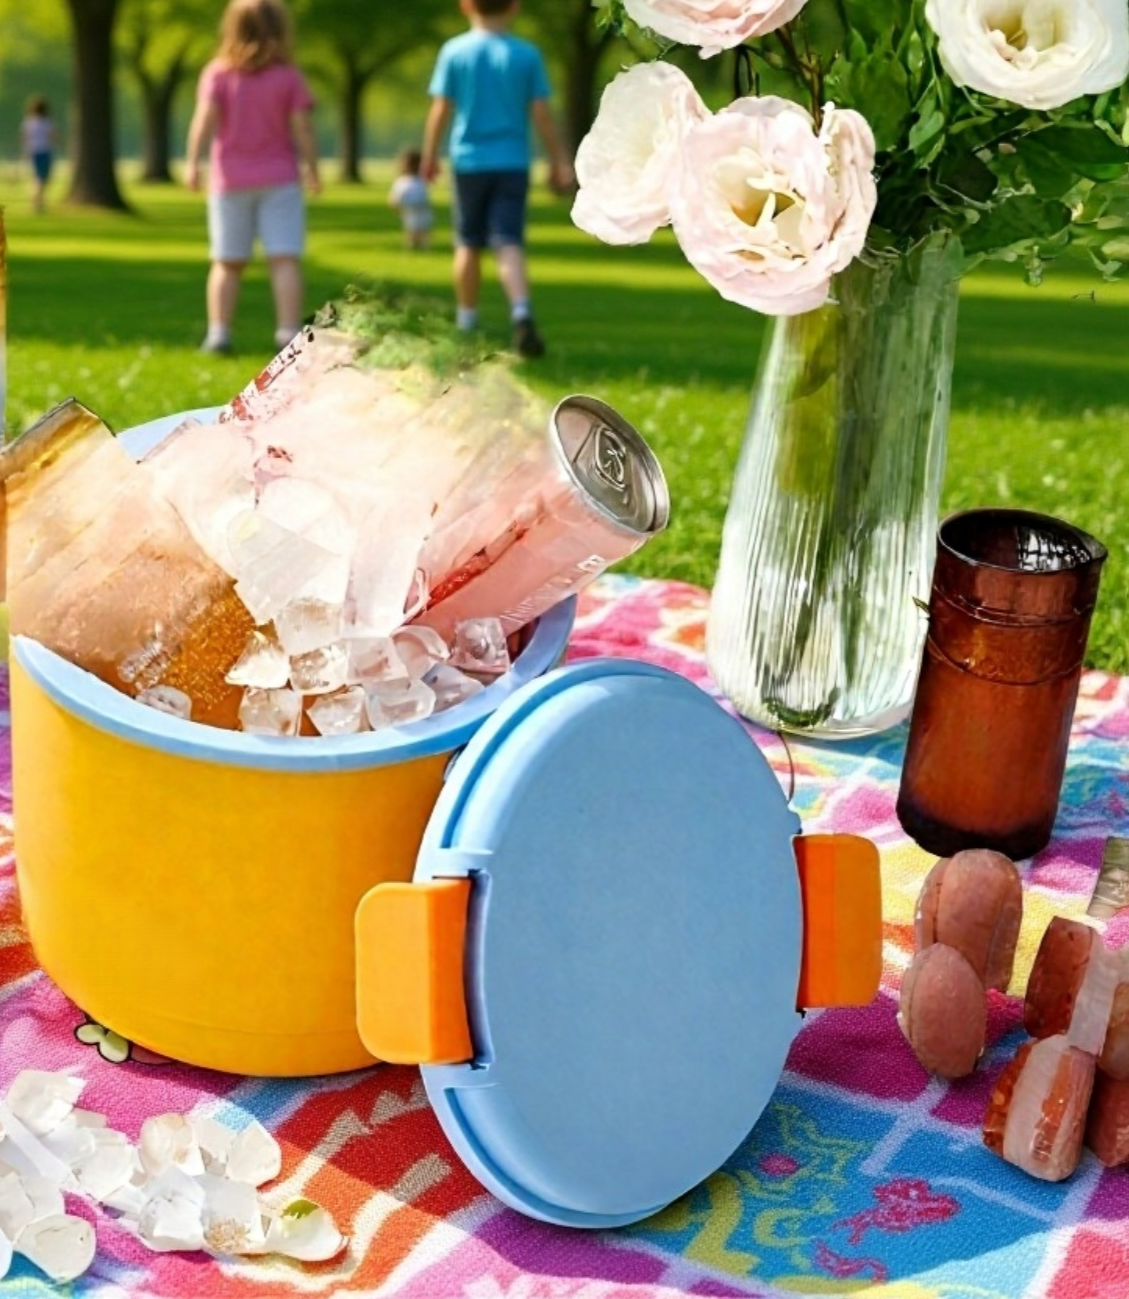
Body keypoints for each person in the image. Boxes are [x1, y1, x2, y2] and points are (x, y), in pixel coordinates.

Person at [422, 0, 573, 358]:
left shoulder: (454, 51)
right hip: (512, 161)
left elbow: (441, 108)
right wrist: (558, 159)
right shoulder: (526, 55)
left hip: (469, 162)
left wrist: (429, 156)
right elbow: (541, 114)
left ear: (466, 7)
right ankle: (521, 313)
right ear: (514, 7)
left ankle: (467, 321)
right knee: (508, 240)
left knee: (468, 242)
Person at [184, 0, 320, 355]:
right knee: (284, 259)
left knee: (227, 262)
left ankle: (219, 333)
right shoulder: (288, 77)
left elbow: (203, 120)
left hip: (230, 180)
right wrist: (313, 168)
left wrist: (192, 162)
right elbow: (301, 127)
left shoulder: (218, 73)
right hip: (280, 179)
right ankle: (288, 333)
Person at [389, 148, 434, 251]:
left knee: (421, 231)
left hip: (421, 209)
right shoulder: (403, 181)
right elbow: (394, 199)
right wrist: (398, 209)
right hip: (413, 209)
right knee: (414, 230)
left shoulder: (419, 180)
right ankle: (414, 248)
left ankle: (421, 248)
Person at [21, 97, 56, 215]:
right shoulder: (47, 122)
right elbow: (52, 136)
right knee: (42, 177)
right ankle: (38, 201)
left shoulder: (28, 122)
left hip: (32, 151)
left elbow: (24, 138)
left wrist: (25, 151)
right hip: (44, 151)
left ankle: (38, 200)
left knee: (37, 177)